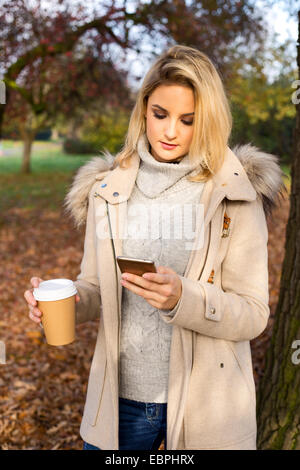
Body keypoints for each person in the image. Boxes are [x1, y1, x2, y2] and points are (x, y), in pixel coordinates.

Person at [24, 44, 286, 450]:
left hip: (209, 408)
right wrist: (68, 302)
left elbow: (253, 315)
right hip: (121, 405)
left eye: (188, 121)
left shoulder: (235, 194)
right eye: (160, 115)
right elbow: (95, 287)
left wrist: (185, 297)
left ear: (209, 121)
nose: (169, 131)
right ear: (144, 108)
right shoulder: (107, 189)